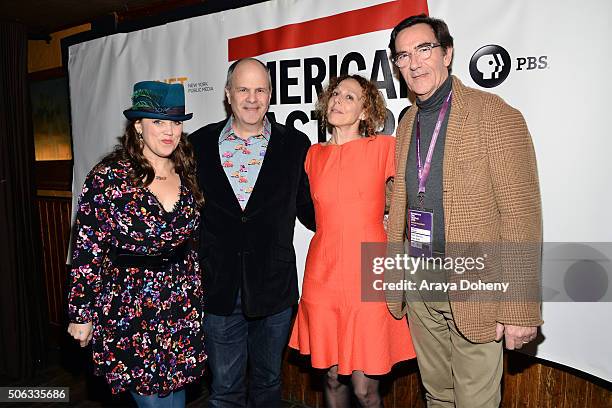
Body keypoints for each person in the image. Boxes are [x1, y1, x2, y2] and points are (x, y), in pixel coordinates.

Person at [384, 14, 543, 408]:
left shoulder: (494, 114)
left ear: (448, 53)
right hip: (419, 282)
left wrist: (520, 307)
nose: (414, 63)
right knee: (437, 395)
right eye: (403, 56)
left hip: (476, 286)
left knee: (475, 402)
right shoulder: (406, 123)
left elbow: (521, 215)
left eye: (424, 49)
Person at [67, 81, 206, 408]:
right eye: (158, 121)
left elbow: (191, 244)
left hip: (180, 307)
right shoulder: (109, 177)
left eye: (176, 121)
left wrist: (198, 298)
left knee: (176, 397)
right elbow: (87, 250)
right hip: (130, 310)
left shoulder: (185, 168)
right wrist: (80, 313)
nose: (170, 131)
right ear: (138, 125)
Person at [189, 58, 315, 408]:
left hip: (273, 289)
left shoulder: (295, 145)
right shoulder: (197, 144)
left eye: (260, 89)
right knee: (225, 390)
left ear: (271, 95)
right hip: (219, 289)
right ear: (228, 94)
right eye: (243, 89)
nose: (252, 97)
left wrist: (365, 215)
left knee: (268, 384)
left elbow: (310, 207)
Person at [289, 74, 416, 407]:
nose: (337, 100)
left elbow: (411, 194)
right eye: (335, 94)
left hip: (369, 268)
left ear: (365, 111)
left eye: (349, 97)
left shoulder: (384, 148)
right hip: (323, 271)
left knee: (365, 388)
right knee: (330, 379)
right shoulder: (312, 156)